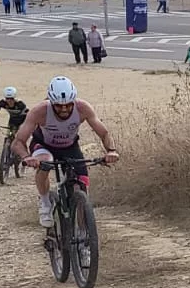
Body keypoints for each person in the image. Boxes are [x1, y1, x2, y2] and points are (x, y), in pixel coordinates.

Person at [11, 77, 120, 228]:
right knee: (45, 162)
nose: (64, 109)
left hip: (70, 147)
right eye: (58, 106)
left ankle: (84, 233)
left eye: (68, 105)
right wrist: (27, 157)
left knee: (82, 186)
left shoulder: (83, 108)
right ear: (51, 101)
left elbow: (104, 133)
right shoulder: (39, 111)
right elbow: (18, 141)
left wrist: (111, 151)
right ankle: (45, 203)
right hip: (43, 145)